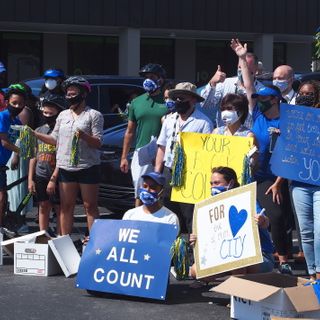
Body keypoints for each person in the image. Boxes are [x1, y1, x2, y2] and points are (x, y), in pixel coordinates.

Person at [32, 76, 104, 236]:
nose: (70, 96)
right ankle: (64, 239)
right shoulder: (63, 115)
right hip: (66, 166)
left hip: (88, 166)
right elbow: (54, 139)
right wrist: (35, 134)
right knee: (66, 205)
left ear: (83, 94)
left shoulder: (94, 115)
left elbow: (98, 143)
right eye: (68, 94)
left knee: (89, 205)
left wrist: (84, 136)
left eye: (74, 93)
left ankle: (93, 241)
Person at [189, 166, 274, 280]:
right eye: (211, 184)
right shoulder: (210, 206)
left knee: (238, 262)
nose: (213, 187)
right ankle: (234, 277)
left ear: (231, 183)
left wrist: (261, 220)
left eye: (217, 183)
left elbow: (265, 222)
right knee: (195, 271)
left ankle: (237, 291)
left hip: (259, 257)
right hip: (223, 256)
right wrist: (195, 239)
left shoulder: (246, 199)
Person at [155, 82, 213, 233]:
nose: (179, 101)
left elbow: (207, 152)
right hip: (169, 170)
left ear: (193, 100)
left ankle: (192, 251)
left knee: (189, 214)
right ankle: (172, 251)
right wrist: (157, 173)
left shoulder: (204, 123)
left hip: (190, 173)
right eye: (177, 98)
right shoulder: (169, 120)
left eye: (183, 98)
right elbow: (161, 147)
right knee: (168, 212)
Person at [251, 84, 294, 275]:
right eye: (257, 99)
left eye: (263, 99)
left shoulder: (286, 122)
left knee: (275, 216)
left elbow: (289, 156)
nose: (259, 102)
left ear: (275, 99)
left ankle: (283, 260)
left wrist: (278, 183)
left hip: (272, 177)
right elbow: (247, 85)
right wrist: (243, 59)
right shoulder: (257, 117)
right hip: (251, 176)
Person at [120, 63, 168, 207]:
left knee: (160, 193)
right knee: (141, 191)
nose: (148, 80)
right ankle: (138, 223)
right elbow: (129, 131)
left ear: (160, 80)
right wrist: (124, 156)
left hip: (164, 153)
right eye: (146, 77)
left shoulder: (168, 102)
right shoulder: (136, 102)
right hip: (142, 153)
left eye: (152, 77)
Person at [290, 80, 320, 280]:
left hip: (319, 184)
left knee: (319, 232)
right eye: (301, 93)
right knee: (306, 232)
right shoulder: (292, 119)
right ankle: (311, 273)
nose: (304, 96)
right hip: (299, 184)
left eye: (309, 94)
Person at [200, 39, 263, 128]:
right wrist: (212, 83)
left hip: (247, 136)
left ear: (256, 70)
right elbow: (205, 105)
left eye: (246, 68)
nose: (242, 71)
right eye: (240, 67)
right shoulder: (224, 83)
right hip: (224, 137)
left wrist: (242, 57)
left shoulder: (261, 90)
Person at [28, 94, 66, 234]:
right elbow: (33, 156)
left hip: (57, 175)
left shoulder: (61, 132)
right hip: (40, 174)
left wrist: (53, 179)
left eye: (51, 113)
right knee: (43, 206)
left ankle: (59, 235)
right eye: (45, 112)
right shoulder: (39, 130)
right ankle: (42, 234)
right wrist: (30, 179)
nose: (47, 115)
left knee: (58, 206)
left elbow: (62, 157)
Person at [0, 84, 26, 237]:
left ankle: (1, 226)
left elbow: (22, 140)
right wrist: (22, 152)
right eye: (14, 103)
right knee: (2, 196)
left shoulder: (18, 122)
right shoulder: (2, 116)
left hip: (2, 164)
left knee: (4, 197)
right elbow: (4, 142)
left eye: (20, 104)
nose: (17, 106)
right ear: (7, 101)